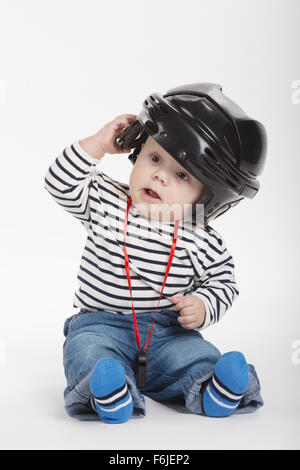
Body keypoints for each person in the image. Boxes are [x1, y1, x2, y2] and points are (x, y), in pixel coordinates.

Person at [44, 82, 267, 423]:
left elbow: (223, 280)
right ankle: (108, 392)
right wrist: (100, 144)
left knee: (194, 355)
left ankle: (214, 389)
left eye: (180, 174)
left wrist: (205, 304)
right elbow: (59, 181)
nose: (160, 176)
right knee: (86, 352)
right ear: (136, 149)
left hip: (169, 332)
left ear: (206, 198)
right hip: (100, 322)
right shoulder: (105, 200)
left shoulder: (200, 237)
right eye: (154, 157)